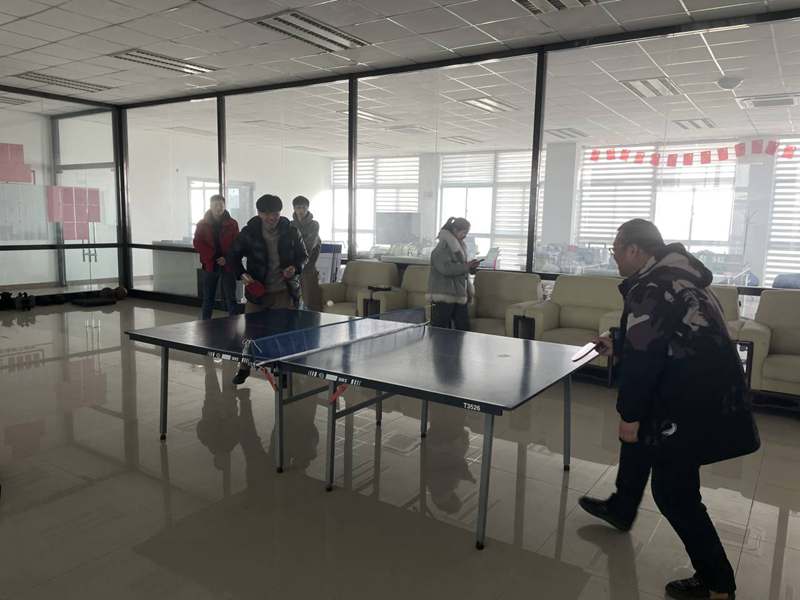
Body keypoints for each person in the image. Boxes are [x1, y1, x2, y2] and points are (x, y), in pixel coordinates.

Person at [578, 219, 759, 600]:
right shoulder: (677, 276)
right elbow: (670, 334)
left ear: (634, 250)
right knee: (646, 447)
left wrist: (629, 415)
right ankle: (622, 507)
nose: (613, 257)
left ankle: (718, 584)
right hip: (703, 395)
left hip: (691, 404)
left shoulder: (652, 287)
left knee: (674, 492)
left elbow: (645, 361)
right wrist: (619, 340)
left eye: (615, 250)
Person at [227, 194, 308, 384]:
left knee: (284, 334)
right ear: (259, 213)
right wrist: (242, 274)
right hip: (258, 293)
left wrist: (295, 267)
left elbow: (303, 256)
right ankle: (244, 368)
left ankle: (283, 371)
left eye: (276, 214)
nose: (272, 218)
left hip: (284, 292)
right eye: (267, 214)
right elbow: (232, 256)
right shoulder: (249, 232)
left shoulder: (291, 231)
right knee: (250, 335)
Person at [427, 217, 481, 330]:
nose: (465, 236)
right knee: (440, 330)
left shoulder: (459, 246)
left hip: (459, 294)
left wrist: (470, 267)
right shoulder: (443, 247)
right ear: (455, 230)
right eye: (464, 232)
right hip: (443, 295)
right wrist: (466, 266)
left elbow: (460, 267)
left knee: (463, 328)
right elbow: (445, 269)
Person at [193, 194, 240, 319]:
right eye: (215, 205)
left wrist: (227, 258)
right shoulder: (202, 224)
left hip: (228, 265)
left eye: (221, 205)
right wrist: (213, 256)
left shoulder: (232, 224)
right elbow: (198, 243)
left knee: (231, 298)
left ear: (225, 206)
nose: (218, 208)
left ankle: (234, 324)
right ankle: (205, 324)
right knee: (208, 298)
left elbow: (237, 244)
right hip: (210, 264)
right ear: (210, 206)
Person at [292, 195, 322, 311]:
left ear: (308, 208)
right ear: (294, 208)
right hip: (293, 268)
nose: (301, 211)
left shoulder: (314, 225)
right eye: (298, 208)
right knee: (293, 302)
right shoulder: (290, 224)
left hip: (308, 267)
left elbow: (309, 245)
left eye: (304, 208)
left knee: (311, 302)